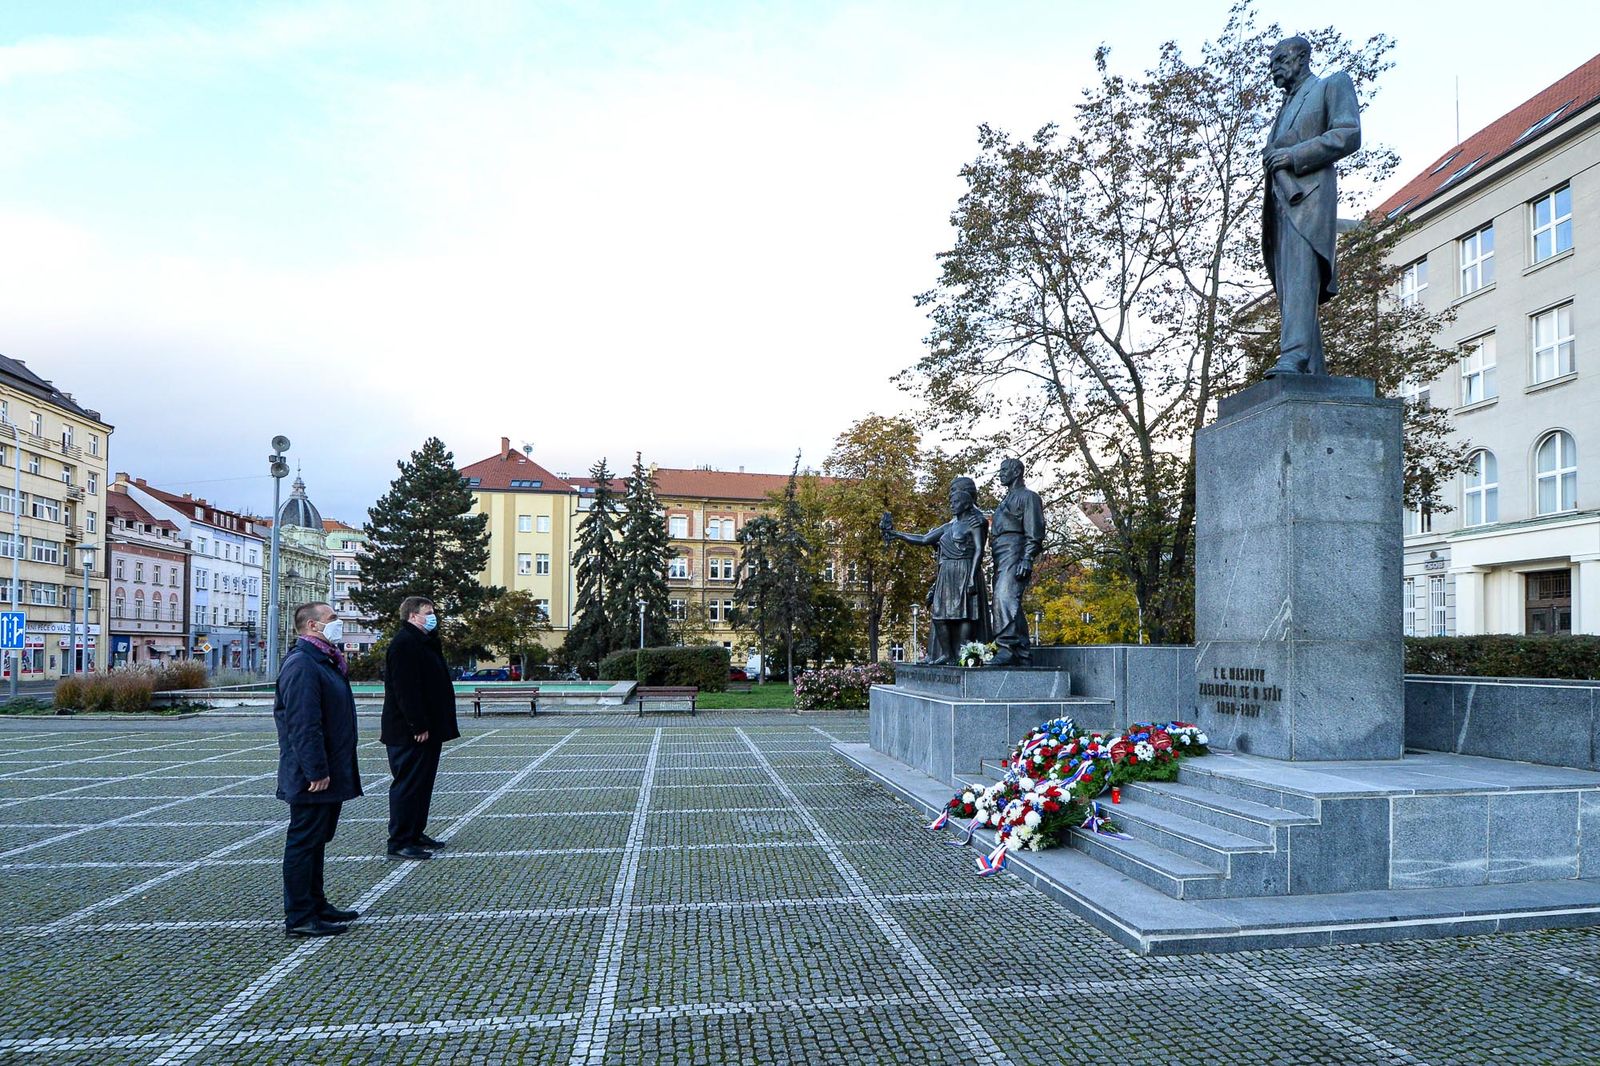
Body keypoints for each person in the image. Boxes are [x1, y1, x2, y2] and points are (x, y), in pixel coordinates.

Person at [1261, 35, 1361, 376]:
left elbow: (1348, 133)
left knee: (1302, 277)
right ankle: (1312, 368)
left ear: (1301, 57)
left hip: (1309, 199)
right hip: (1280, 204)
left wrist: (1292, 156)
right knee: (1292, 288)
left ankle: (1295, 356)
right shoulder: (1284, 107)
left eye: (1279, 59)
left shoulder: (1331, 85)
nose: (1272, 67)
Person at [274, 601, 362, 938]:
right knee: (304, 841)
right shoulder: (303, 665)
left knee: (317, 841)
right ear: (313, 626)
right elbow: (303, 723)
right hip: (312, 774)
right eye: (332, 619)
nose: (338, 623)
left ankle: (316, 904)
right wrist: (315, 770)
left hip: (328, 768)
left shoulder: (323, 661)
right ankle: (299, 916)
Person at [381, 595, 460, 860]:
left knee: (422, 784)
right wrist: (417, 724)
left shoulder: (422, 642)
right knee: (408, 785)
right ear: (413, 616)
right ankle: (400, 840)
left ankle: (415, 832)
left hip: (426, 729)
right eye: (429, 612)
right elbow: (406, 690)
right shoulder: (404, 644)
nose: (433, 616)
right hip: (409, 731)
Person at [881, 477, 991, 664]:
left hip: (964, 569)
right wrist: (896, 534)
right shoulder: (948, 526)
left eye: (955, 501)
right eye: (951, 502)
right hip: (946, 574)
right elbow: (924, 539)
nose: (952, 505)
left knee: (964, 614)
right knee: (940, 616)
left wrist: (972, 577)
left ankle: (963, 653)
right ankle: (948, 654)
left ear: (966, 503)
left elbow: (980, 550)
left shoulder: (976, 522)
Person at [989, 457, 1046, 667]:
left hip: (1016, 550)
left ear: (1016, 472)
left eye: (1004, 470)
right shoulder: (1005, 500)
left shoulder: (1029, 497)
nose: (1000, 473)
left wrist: (1027, 558)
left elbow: (1035, 532)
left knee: (1004, 597)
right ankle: (1021, 651)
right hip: (1000, 553)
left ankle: (1006, 647)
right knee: (1009, 601)